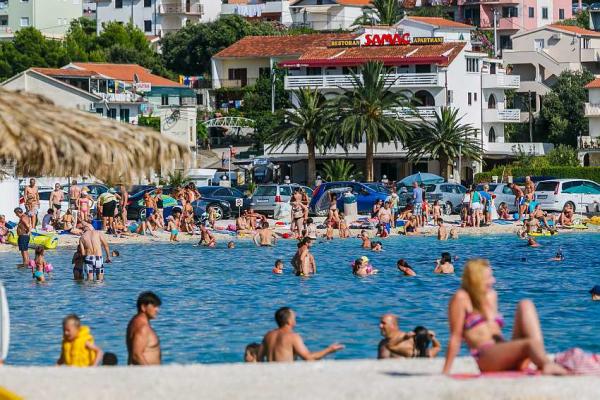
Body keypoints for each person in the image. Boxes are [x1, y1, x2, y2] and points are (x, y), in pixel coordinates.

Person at [442, 259, 566, 375]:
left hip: (504, 352)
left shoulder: (491, 295)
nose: (493, 281)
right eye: (488, 277)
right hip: (487, 357)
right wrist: (446, 371)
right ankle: (546, 364)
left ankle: (541, 358)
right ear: (476, 279)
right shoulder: (461, 298)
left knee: (525, 304)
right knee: (529, 344)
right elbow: (455, 337)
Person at [258, 307, 343, 362]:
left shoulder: (268, 335)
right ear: (289, 321)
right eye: (294, 318)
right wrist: (329, 350)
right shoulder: (292, 336)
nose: (295, 320)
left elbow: (259, 358)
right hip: (285, 376)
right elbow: (308, 358)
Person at [127, 291, 162, 365]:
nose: (157, 310)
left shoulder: (135, 322)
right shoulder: (142, 327)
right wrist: (149, 371)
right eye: (154, 306)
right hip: (145, 371)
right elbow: (136, 355)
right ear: (143, 307)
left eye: (158, 307)